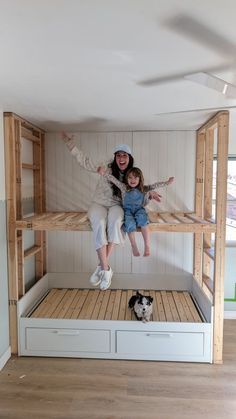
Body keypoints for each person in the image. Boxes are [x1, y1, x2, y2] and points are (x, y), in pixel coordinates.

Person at [61, 132, 162, 290]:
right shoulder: (106, 166)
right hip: (98, 203)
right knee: (99, 222)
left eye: (125, 156)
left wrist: (150, 193)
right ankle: (106, 270)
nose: (121, 158)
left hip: (117, 205)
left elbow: (140, 190)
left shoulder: (132, 174)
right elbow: (86, 162)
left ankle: (102, 267)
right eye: (118, 155)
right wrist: (71, 145)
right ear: (115, 157)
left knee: (115, 221)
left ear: (129, 158)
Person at [98, 166, 174, 257]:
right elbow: (114, 180)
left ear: (140, 179)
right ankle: (134, 246)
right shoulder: (124, 187)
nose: (132, 180)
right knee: (129, 224)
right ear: (127, 178)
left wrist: (167, 182)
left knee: (143, 220)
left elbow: (156, 185)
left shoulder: (144, 188)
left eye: (135, 177)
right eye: (130, 177)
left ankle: (147, 246)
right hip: (128, 211)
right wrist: (104, 173)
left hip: (139, 210)